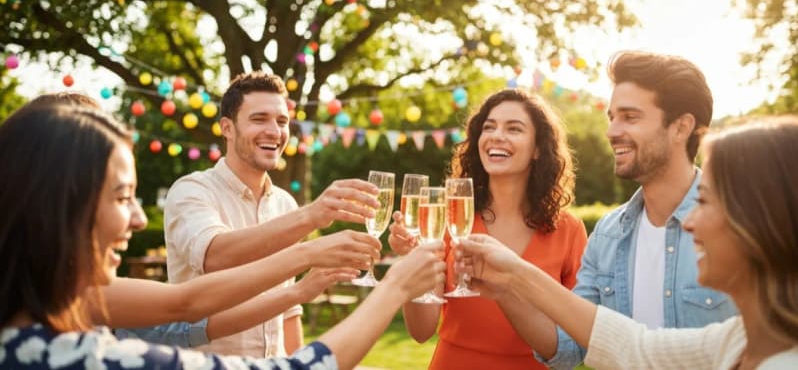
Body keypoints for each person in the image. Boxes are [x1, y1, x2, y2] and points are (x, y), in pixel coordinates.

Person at [0, 105, 447, 370]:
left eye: (283, 119)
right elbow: (201, 285)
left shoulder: (51, 318)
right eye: (122, 197)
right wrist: (395, 286)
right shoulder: (91, 357)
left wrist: (309, 284)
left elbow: (187, 316)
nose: (138, 218)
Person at [457, 115, 798, 369]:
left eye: (707, 200)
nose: (691, 222)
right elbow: (634, 347)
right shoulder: (738, 340)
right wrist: (512, 276)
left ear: (765, 222)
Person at [501, 51, 737, 369]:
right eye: (612, 117)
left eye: (630, 117)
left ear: (681, 127)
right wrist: (503, 286)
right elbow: (569, 346)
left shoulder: (737, 224)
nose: (612, 132)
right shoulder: (609, 234)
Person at [164, 72, 381, 357]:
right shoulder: (191, 191)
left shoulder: (285, 204)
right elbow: (215, 256)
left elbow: (289, 310)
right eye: (259, 119)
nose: (274, 131)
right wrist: (312, 216)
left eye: (281, 121)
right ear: (227, 128)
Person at [388, 88, 588, 369]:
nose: (496, 135)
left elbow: (573, 342)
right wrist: (412, 260)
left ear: (538, 149)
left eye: (514, 128)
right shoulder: (447, 219)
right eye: (489, 127)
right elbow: (421, 332)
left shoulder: (569, 230)